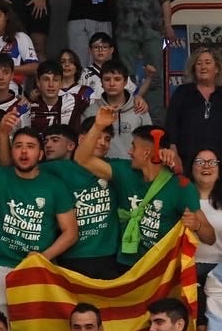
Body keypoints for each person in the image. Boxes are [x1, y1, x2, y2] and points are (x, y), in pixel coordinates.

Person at [0, 105, 77, 314]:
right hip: (2, 264)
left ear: (41, 153)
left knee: (38, 319)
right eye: (18, 146)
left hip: (41, 265)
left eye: (30, 146)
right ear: (11, 150)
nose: (24, 151)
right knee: (0, 315)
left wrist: (42, 257)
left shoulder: (55, 185)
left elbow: (71, 232)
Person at [75, 111, 214, 269]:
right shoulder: (124, 172)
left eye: (133, 147)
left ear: (146, 152)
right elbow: (82, 158)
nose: (129, 152)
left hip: (159, 271)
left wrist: (197, 226)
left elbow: (210, 237)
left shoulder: (181, 187)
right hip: (125, 267)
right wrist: (98, 125)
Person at [167, 47, 222, 168]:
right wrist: (174, 156)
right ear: (194, 69)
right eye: (199, 63)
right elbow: (171, 127)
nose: (203, 67)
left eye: (208, 63)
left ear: (217, 68)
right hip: (186, 164)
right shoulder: (182, 93)